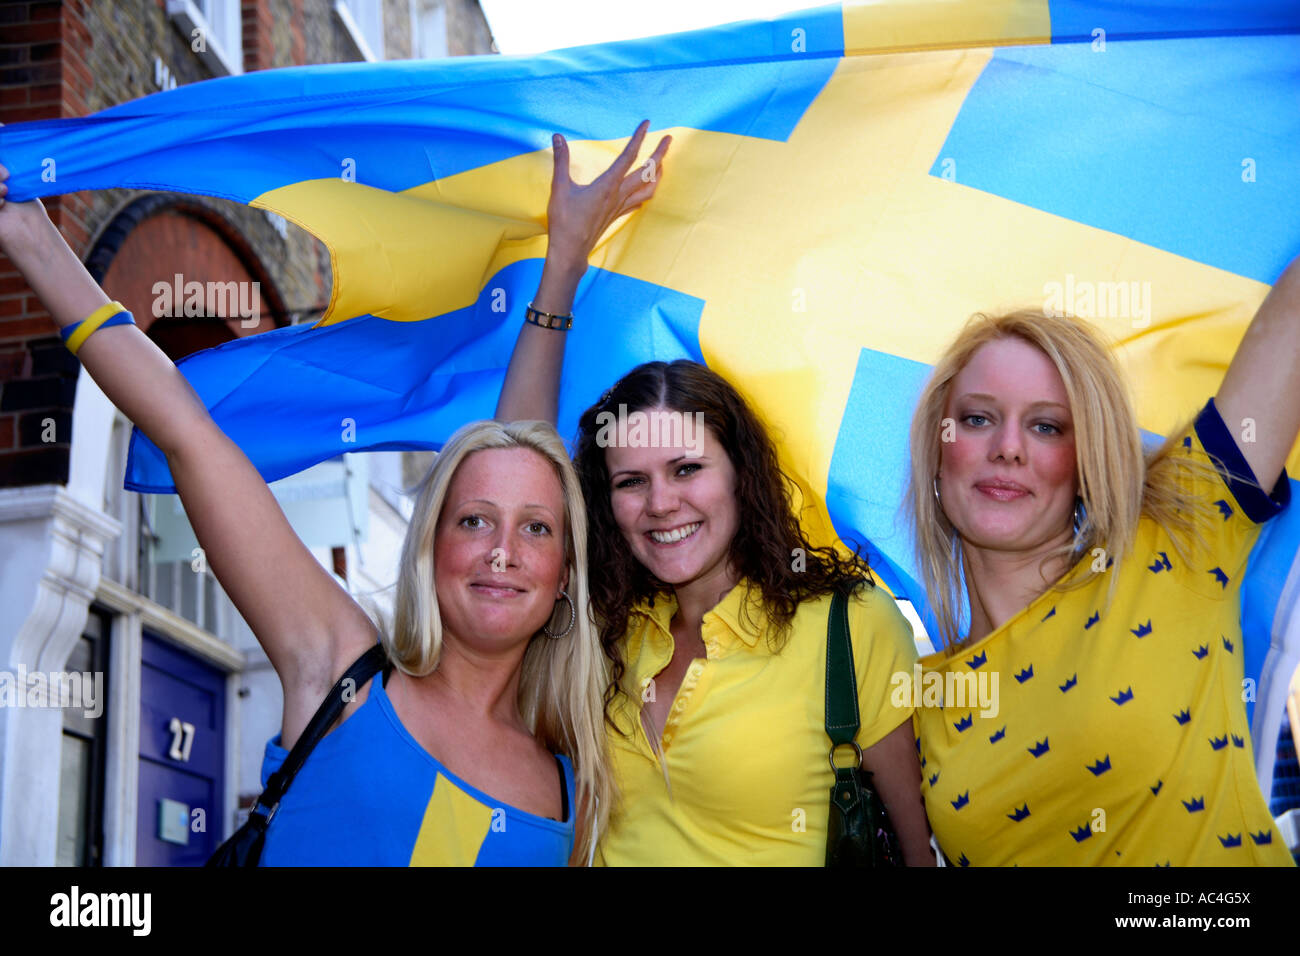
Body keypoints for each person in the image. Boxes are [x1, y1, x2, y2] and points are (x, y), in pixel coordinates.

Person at [0, 140, 658, 864]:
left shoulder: (572, 783)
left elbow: (516, 455)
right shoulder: (339, 672)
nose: (503, 551)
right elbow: (186, 430)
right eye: (473, 521)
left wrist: (566, 259)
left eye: (536, 530)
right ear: (431, 547)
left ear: (565, 572)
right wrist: (24, 229)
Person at [496, 125, 935, 865]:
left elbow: (920, 852)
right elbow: (509, 468)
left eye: (686, 469)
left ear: (741, 473)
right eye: (630, 482)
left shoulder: (847, 623)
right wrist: (563, 262)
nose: (661, 503)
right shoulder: (600, 630)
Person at [906, 289, 1300, 865]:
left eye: (1046, 427)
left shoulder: (1174, 542)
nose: (1007, 448)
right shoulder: (915, 695)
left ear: (1087, 461)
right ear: (938, 451)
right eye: (977, 418)